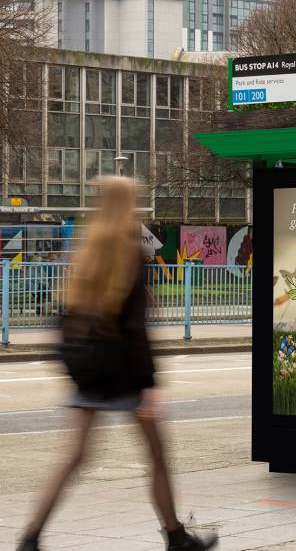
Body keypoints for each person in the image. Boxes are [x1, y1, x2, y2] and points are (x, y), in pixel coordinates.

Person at [18, 177, 217, 551]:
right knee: (157, 455)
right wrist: (149, 386)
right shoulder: (128, 251)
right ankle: (176, 539)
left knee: (73, 456)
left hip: (89, 369)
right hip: (124, 372)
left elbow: (65, 314)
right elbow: (134, 328)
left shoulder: (85, 248)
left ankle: (30, 537)